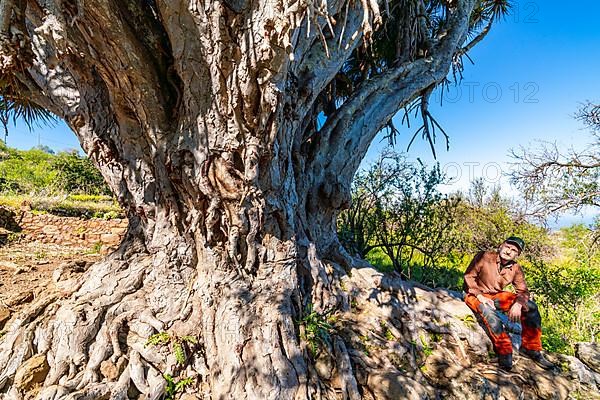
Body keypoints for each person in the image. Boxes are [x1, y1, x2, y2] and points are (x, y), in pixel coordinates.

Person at [463, 236, 554, 371]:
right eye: (507, 247)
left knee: (531, 307)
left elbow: (523, 290)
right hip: (474, 293)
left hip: (495, 295)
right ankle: (505, 352)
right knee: (488, 311)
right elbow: (469, 277)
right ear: (501, 246)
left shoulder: (515, 268)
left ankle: (531, 348)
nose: (509, 251)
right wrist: (480, 296)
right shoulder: (484, 256)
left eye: (514, 250)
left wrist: (518, 304)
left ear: (517, 254)